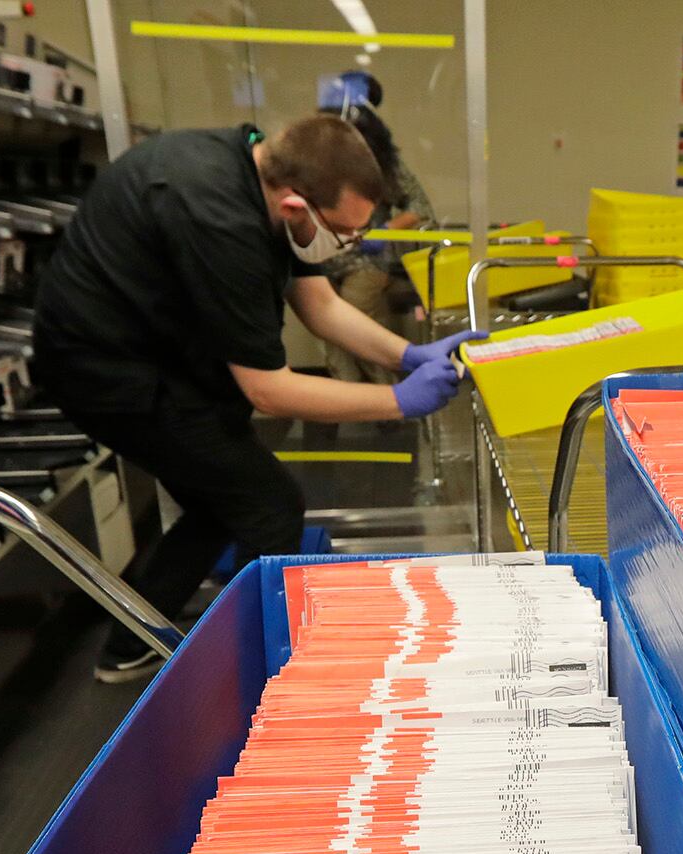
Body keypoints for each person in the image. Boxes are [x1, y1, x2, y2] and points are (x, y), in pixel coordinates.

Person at [32, 115, 483, 681]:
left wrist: (408, 355)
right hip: (107, 374)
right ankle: (252, 674)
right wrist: (397, 402)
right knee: (270, 506)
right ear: (296, 206)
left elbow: (320, 306)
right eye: (344, 235)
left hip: (160, 358)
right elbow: (268, 390)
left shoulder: (264, 173)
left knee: (223, 499)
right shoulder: (218, 217)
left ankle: (133, 641)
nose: (347, 246)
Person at [315, 73, 434, 385]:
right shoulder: (315, 154)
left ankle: (388, 397)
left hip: (366, 262)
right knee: (332, 333)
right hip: (323, 259)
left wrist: (381, 231)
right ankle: (348, 399)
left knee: (349, 327)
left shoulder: (377, 159)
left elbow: (420, 207)